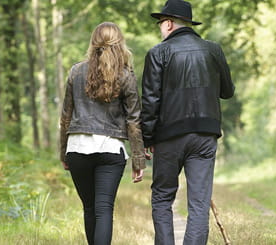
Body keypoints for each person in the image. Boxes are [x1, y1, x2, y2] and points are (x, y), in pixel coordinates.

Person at [141, 0, 235, 244]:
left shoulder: (157, 53)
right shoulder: (214, 50)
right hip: (205, 134)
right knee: (199, 204)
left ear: (169, 23)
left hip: (169, 137)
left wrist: (147, 139)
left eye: (160, 23)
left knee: (162, 198)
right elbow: (227, 91)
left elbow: (150, 101)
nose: (160, 28)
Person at [59, 22, 146, 245]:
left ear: (93, 43)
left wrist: (63, 154)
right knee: (104, 209)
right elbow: (134, 120)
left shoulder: (76, 71)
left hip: (77, 148)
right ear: (120, 44)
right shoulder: (126, 75)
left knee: (89, 208)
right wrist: (138, 161)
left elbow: (65, 117)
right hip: (110, 150)